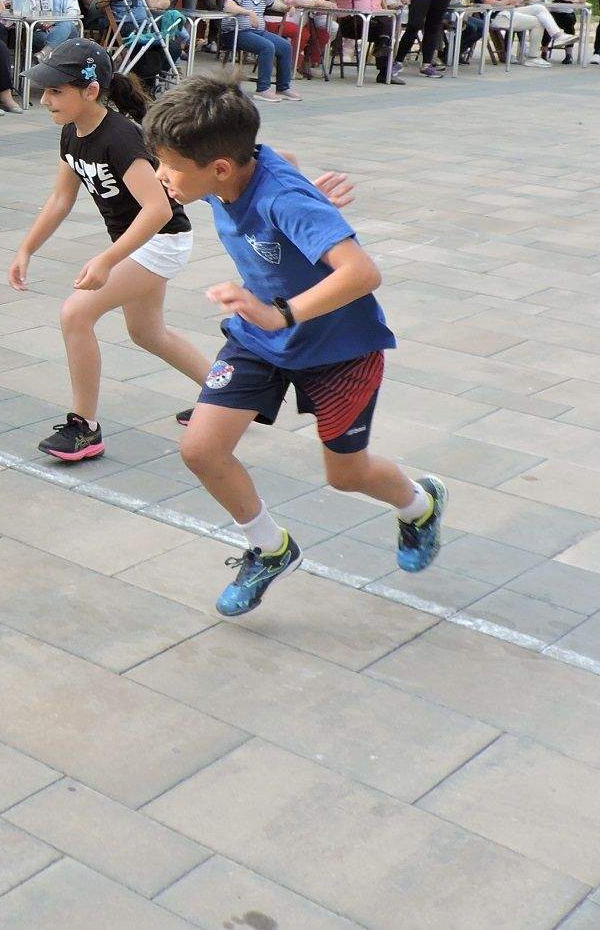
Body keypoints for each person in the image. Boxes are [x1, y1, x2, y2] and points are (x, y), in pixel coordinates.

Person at [146, 76, 446, 616]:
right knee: (201, 450)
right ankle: (270, 548)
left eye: (169, 166)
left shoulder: (279, 197)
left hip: (339, 349)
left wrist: (300, 221)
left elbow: (362, 272)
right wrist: (309, 196)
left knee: (346, 476)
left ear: (219, 167)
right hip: (260, 340)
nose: (161, 176)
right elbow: (281, 156)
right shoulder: (233, 172)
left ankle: (419, 505)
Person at [10, 40, 209, 462]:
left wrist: (107, 259)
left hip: (161, 240)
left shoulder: (119, 137)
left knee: (76, 313)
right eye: (44, 91)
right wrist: (27, 248)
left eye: (55, 91)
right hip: (138, 242)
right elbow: (61, 199)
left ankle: (86, 428)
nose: (45, 100)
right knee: (147, 333)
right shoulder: (72, 132)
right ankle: (229, 398)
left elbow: (157, 210)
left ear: (91, 92)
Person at [225, 0, 296, 102]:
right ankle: (263, 89)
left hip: (257, 31)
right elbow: (228, 5)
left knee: (285, 46)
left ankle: (283, 87)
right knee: (267, 47)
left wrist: (286, 7)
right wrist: (248, 12)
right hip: (237, 32)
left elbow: (272, 4)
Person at [332, 0, 400, 84]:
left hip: (372, 24)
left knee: (387, 24)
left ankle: (384, 70)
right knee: (383, 26)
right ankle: (383, 53)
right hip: (351, 23)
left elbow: (383, 7)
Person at [270, 0, 335, 78]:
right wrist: (317, 2)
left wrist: (320, 3)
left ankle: (307, 64)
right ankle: (289, 67)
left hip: (299, 22)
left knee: (322, 32)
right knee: (303, 33)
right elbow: (294, 1)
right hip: (278, 21)